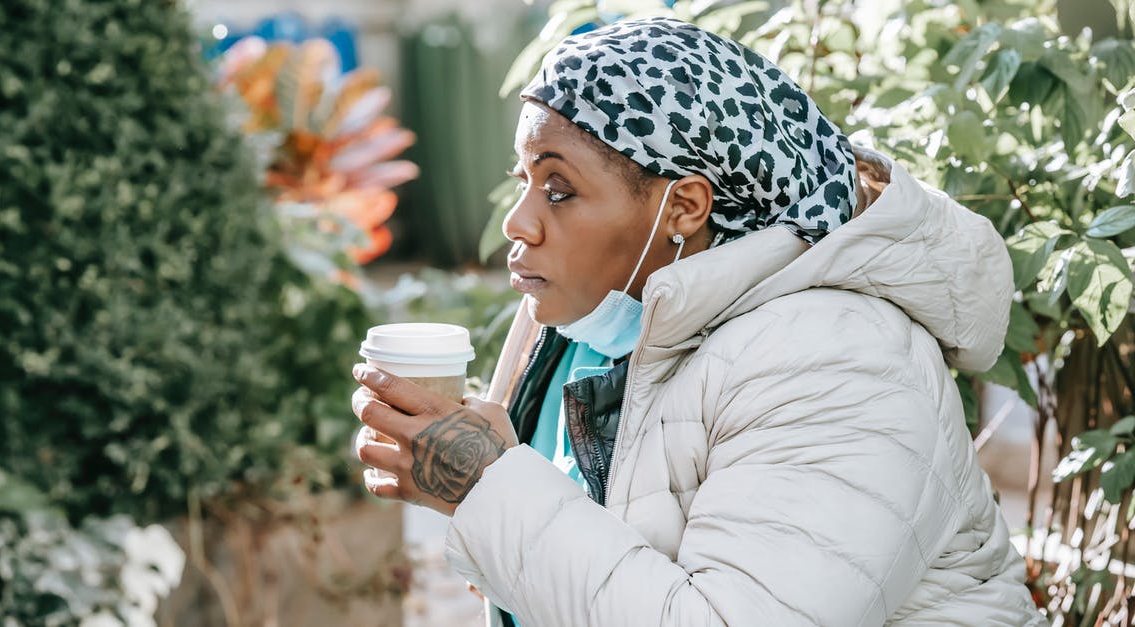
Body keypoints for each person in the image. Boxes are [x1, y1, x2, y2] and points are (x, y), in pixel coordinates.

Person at [351, 16, 1045, 627]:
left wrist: (487, 487)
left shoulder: (841, 358)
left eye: (558, 189)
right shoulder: (577, 321)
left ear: (685, 206)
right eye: (524, 177)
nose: (517, 220)